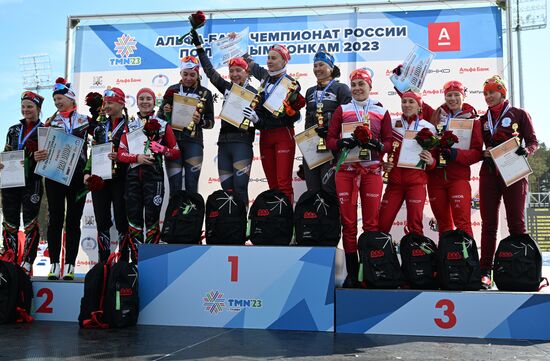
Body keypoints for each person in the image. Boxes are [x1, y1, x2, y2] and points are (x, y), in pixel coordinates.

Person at [326, 68, 392, 287]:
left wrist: (380, 146)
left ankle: (370, 273)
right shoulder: (342, 110)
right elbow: (330, 140)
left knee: (372, 223)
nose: (357, 88)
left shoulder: (380, 111)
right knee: (348, 223)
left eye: (361, 84)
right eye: (353, 85)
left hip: (371, 170)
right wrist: (339, 144)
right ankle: (353, 275)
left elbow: (390, 141)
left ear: (370, 86)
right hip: (346, 170)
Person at [478, 75, 538, 289]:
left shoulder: (519, 114)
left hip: (513, 169)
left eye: (492, 92)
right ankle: (485, 272)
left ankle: (521, 267)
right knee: (489, 225)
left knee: (516, 223)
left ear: (502, 93)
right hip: (489, 172)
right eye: (485, 93)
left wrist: (527, 150)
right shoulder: (482, 119)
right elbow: (475, 146)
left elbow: (532, 141)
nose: (488, 96)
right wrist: (481, 152)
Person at [191, 30, 256, 205]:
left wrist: (256, 119)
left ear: (246, 72)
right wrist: (199, 47)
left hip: (242, 144)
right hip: (224, 144)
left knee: (240, 188)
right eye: (231, 71)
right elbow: (210, 72)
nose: (234, 74)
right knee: (227, 191)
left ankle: (242, 230)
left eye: (238, 71)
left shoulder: (254, 93)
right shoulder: (227, 87)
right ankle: (231, 228)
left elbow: (263, 121)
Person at [34, 77, 89, 280]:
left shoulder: (85, 120)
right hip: (55, 176)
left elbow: (101, 142)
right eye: (55, 99)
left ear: (71, 98)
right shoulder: (49, 122)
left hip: (78, 177)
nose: (57, 102)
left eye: (60, 98)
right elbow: (38, 148)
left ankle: (71, 265)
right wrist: (37, 155)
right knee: (55, 219)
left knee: (73, 221)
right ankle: (55, 263)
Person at [117, 88, 180, 262]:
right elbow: (121, 154)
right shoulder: (130, 125)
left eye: (148, 99)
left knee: (152, 220)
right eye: (141, 99)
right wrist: (137, 157)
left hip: (154, 176)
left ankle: (150, 261)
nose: (145, 101)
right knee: (134, 220)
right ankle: (136, 261)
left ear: (154, 102)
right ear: (137, 102)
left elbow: (175, 152)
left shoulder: (162, 123)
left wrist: (162, 149)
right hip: (133, 178)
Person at [243, 44, 304, 202]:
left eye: (273, 58)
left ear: (284, 61)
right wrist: (238, 46)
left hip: (283, 134)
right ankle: (275, 221)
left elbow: (290, 116)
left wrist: (259, 120)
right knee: (272, 185)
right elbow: (250, 64)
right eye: (268, 57)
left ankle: (286, 223)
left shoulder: (291, 84)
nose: (269, 61)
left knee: (283, 184)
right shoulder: (265, 77)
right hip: (265, 136)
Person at [426, 81, 483, 238]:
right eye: (448, 95)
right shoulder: (436, 115)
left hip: (458, 178)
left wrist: (455, 154)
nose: (452, 98)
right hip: (435, 178)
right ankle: (447, 261)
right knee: (443, 225)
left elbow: (477, 153)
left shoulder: (474, 120)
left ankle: (468, 261)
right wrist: (401, 84)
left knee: (462, 223)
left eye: (456, 95)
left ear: (463, 96)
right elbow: (414, 101)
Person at [378, 91, 436, 236]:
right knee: (382, 224)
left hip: (416, 183)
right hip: (394, 183)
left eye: (411, 102)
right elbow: (382, 149)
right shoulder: (392, 124)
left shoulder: (428, 127)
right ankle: (378, 256)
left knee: (415, 227)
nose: (407, 105)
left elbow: (434, 161)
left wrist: (431, 161)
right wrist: (382, 164)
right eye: (404, 101)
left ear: (419, 105)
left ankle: (417, 256)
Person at [83, 87, 130, 263]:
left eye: (111, 102)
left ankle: (124, 261)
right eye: (106, 103)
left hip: (121, 178)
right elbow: (93, 153)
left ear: (121, 103)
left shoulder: (130, 126)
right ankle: (104, 262)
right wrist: (87, 172)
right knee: (102, 220)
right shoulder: (99, 128)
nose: (107, 106)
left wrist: (120, 154)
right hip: (100, 179)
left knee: (121, 219)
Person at [1, 91, 44, 275]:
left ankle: (27, 261)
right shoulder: (13, 130)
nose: (26, 110)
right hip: (11, 180)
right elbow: (6, 151)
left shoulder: (44, 130)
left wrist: (36, 157)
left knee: (30, 222)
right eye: (24, 106)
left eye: (30, 107)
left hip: (31, 181)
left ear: (38, 109)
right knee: (9, 221)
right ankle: (9, 257)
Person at [159, 56, 214, 195]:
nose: (188, 78)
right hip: (172, 142)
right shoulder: (172, 90)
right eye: (185, 74)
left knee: (191, 185)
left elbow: (211, 123)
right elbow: (159, 118)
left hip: (193, 143)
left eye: (192, 75)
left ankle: (193, 216)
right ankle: (174, 217)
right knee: (175, 186)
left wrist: (200, 121)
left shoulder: (205, 93)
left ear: (197, 74)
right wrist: (166, 112)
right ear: (181, 73)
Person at [303, 51, 352, 195]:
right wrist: (306, 145)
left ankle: (333, 218)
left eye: (321, 65)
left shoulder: (341, 88)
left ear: (331, 67)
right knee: (312, 189)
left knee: (329, 188)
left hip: (332, 147)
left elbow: (347, 118)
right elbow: (307, 119)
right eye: (315, 65)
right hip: (312, 147)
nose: (317, 68)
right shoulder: (310, 91)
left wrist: (332, 133)